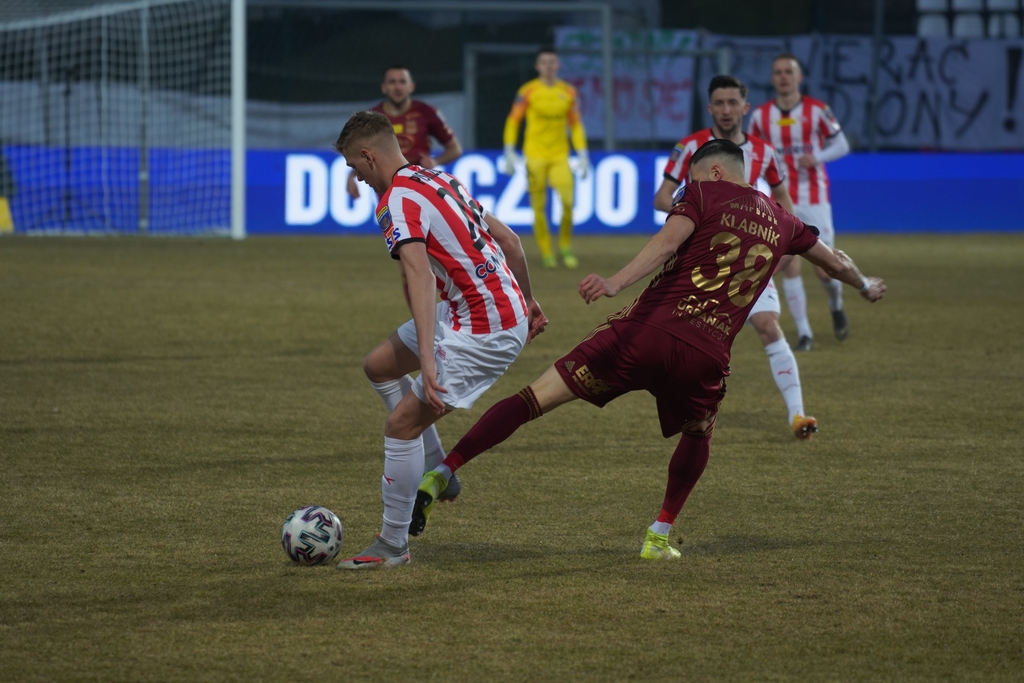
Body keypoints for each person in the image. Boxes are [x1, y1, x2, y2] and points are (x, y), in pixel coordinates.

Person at [411, 139, 886, 560]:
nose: (688, 188)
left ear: (714, 171)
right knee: (699, 435)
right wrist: (864, 284)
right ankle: (658, 535)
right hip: (705, 355)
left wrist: (615, 281)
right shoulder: (785, 221)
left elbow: (665, 243)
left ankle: (444, 471)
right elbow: (834, 263)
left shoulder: (703, 194)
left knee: (534, 398)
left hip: (644, 335)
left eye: (694, 178)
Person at [332, 110, 547, 569]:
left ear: (368, 156)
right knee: (379, 367)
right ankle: (436, 466)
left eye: (354, 166)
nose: (358, 177)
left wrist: (429, 360)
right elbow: (510, 240)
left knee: (401, 425)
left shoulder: (395, 200)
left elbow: (421, 277)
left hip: (483, 327)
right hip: (487, 305)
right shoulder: (438, 178)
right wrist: (528, 300)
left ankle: (393, 545)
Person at [655, 75, 815, 439]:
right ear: (709, 108)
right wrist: (692, 209)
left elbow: (782, 199)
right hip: (702, 259)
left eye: (732, 103)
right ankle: (686, 409)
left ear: (745, 108)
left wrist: (788, 241)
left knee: (768, 325)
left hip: (748, 255)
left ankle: (798, 415)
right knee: (682, 338)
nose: (726, 110)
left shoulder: (764, 151)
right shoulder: (690, 146)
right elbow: (662, 196)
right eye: (719, 103)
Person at [749, 53, 852, 351]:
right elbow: (750, 151)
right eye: (778, 72)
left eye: (788, 72)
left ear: (799, 77)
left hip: (814, 198)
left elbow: (842, 144)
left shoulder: (818, 111)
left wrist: (817, 157)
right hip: (779, 199)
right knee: (788, 262)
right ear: (772, 78)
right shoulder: (759, 117)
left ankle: (836, 305)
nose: (783, 77)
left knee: (826, 268)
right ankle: (804, 333)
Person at [501, 46, 590, 269]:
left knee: (568, 202)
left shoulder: (568, 92)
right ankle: (547, 252)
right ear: (537, 66)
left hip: (560, 155)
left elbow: (575, 125)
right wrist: (509, 150)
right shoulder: (528, 91)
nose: (548, 66)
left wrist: (582, 153)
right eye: (544, 62)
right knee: (539, 206)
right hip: (535, 156)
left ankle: (565, 247)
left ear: (558, 65)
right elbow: (513, 120)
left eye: (552, 62)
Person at [346, 65, 463, 201]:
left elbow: (455, 149)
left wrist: (435, 161)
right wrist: (351, 177)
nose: (398, 87)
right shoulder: (371, 118)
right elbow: (361, 155)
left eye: (402, 82)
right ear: (384, 87)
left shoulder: (426, 112)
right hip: (387, 194)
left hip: (420, 189)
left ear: (411, 86)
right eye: (392, 82)